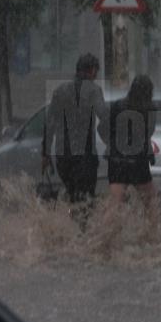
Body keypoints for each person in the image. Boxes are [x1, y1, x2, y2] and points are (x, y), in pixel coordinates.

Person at [94, 75, 159, 256]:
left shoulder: (116, 106)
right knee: (151, 202)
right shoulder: (150, 109)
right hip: (138, 161)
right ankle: (152, 239)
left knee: (115, 203)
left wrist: (114, 143)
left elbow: (101, 129)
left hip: (117, 161)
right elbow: (149, 133)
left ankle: (102, 242)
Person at [42, 53, 106, 224]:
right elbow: (104, 116)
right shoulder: (94, 90)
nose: (96, 75)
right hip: (84, 157)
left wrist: (45, 153)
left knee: (73, 196)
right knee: (86, 199)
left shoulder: (60, 91)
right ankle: (83, 236)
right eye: (96, 71)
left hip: (63, 157)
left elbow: (50, 124)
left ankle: (71, 229)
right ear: (91, 71)